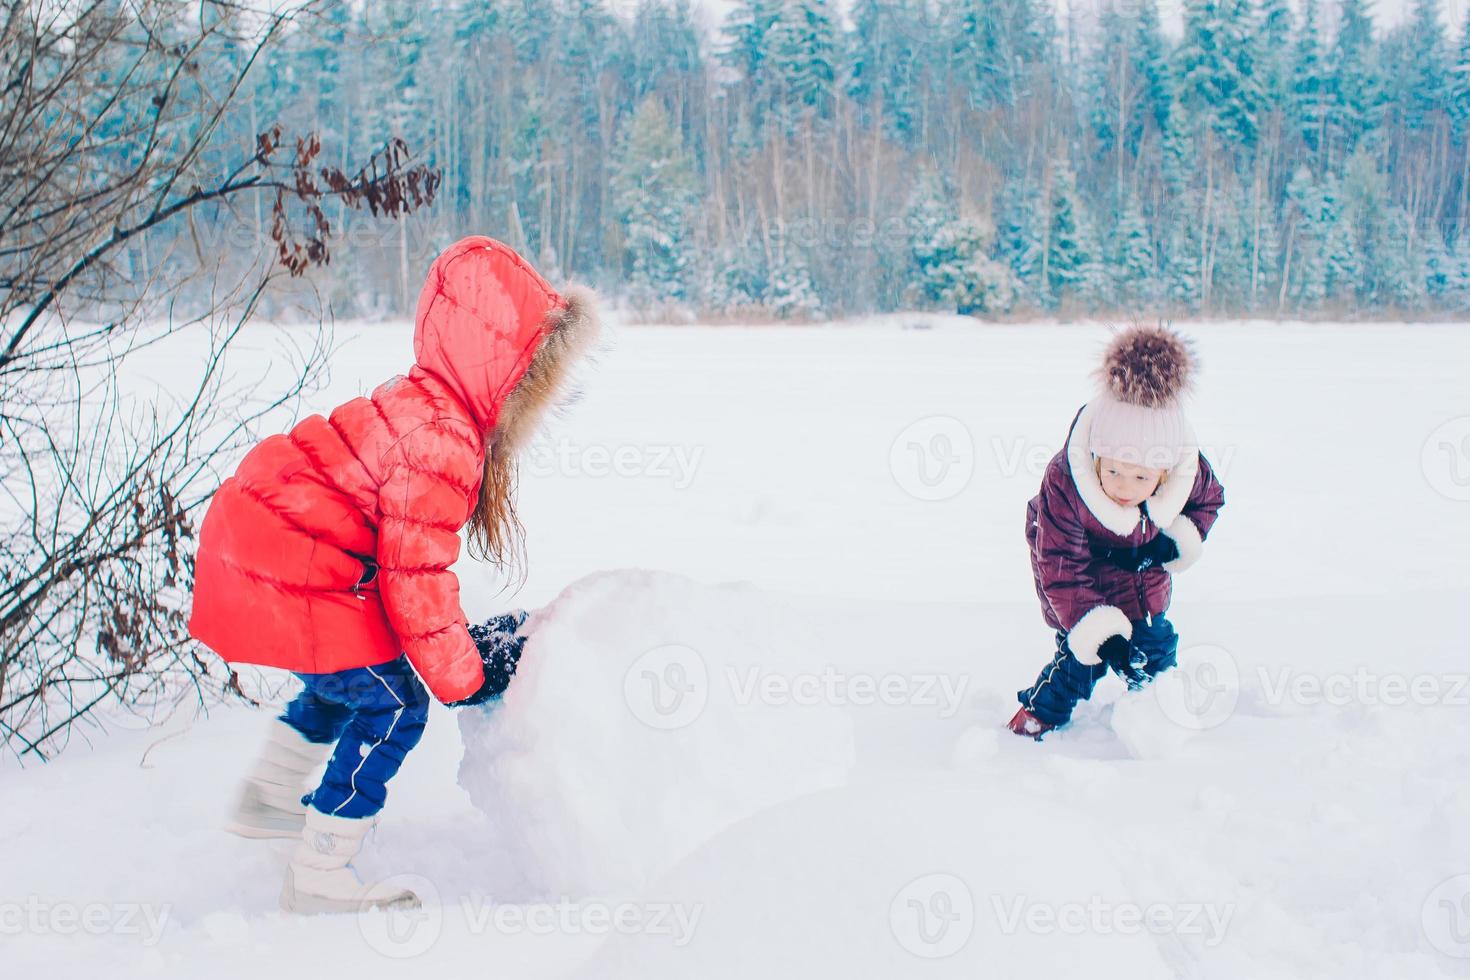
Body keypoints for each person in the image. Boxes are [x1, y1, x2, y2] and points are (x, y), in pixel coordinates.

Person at [187, 236, 599, 912]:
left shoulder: (417, 402)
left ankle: (267, 796)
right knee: (396, 703)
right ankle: (320, 872)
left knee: (348, 679)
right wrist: (464, 675)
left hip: (259, 542)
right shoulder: (442, 442)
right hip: (292, 558)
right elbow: (414, 579)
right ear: (504, 371)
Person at [1007, 323, 1225, 740]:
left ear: (1163, 475)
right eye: (1114, 472)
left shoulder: (1186, 470)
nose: (1124, 488)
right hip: (1078, 582)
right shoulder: (1066, 481)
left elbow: (1208, 502)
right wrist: (1102, 636)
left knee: (1155, 651)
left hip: (1145, 584)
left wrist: (1175, 539)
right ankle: (1037, 716)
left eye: (1140, 477)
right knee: (1080, 660)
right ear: (1096, 457)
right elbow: (1061, 566)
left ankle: (1159, 715)